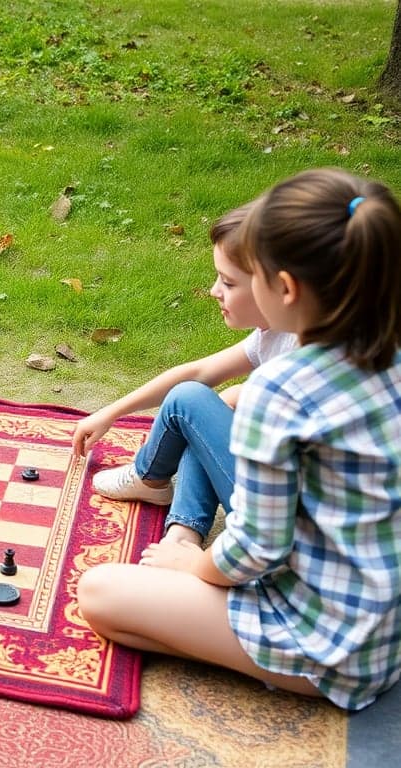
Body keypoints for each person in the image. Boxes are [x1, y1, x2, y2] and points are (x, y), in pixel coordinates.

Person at [78, 168, 401, 711]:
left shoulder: (284, 388)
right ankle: (185, 551)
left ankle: (244, 641)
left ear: (286, 288)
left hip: (329, 649)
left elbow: (258, 547)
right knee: (211, 408)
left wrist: (191, 565)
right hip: (384, 629)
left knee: (99, 593)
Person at [72, 201, 297, 545]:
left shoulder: (305, 355)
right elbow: (201, 370)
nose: (214, 291)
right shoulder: (278, 332)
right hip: (274, 505)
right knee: (209, 407)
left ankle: (149, 477)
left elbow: (193, 391)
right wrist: (112, 412)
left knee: (191, 399)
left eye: (228, 282)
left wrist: (242, 399)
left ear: (280, 287)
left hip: (276, 524)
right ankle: (184, 530)